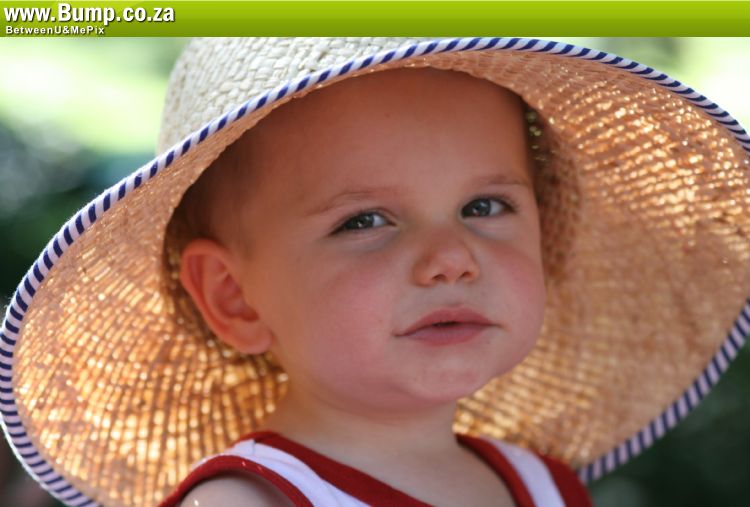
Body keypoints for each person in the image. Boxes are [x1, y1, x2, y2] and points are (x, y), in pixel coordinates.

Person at [2, 37, 749, 507]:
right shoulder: (249, 501)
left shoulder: (543, 486)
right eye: (364, 221)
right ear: (235, 297)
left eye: (485, 205)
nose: (452, 257)